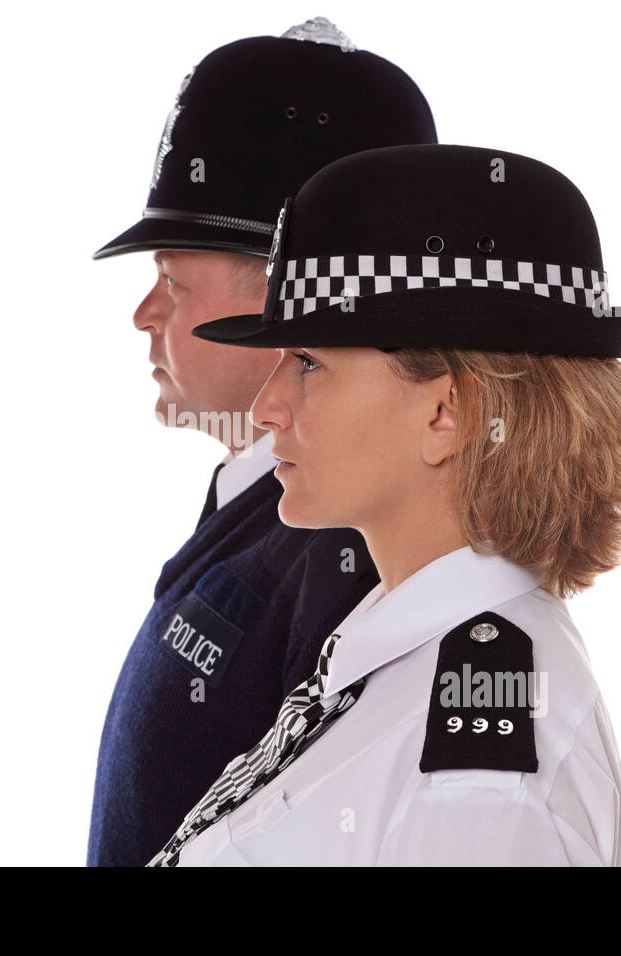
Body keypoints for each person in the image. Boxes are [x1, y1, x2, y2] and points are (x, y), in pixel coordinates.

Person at [148, 143, 621, 866]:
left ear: (445, 412)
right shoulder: (394, 652)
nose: (265, 409)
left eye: (310, 362)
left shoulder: (477, 776)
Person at [86, 19, 439, 867]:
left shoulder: (349, 537)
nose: (145, 312)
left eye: (173, 278)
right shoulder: (268, 499)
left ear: (296, 299)